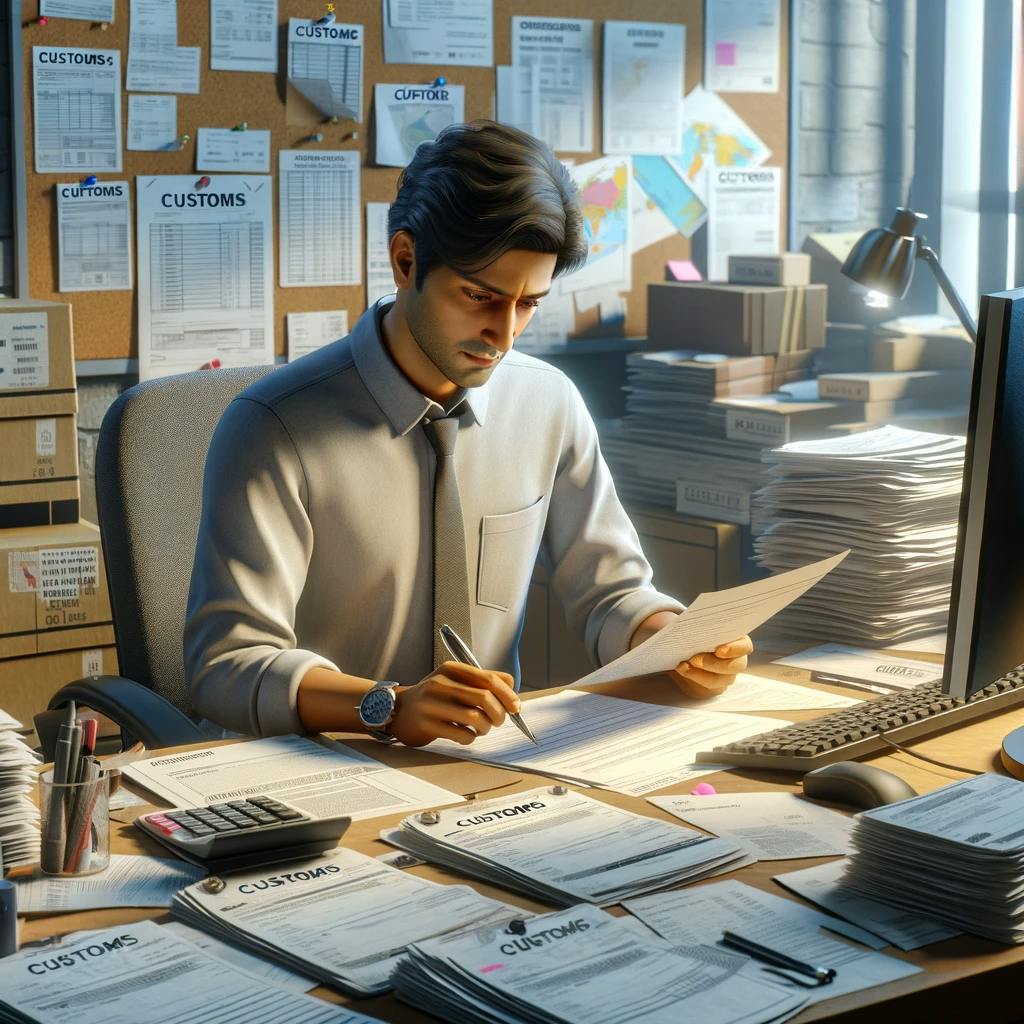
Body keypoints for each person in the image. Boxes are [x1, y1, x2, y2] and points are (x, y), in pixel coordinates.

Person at [184, 119, 752, 747]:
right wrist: (387, 707)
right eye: (479, 296)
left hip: (492, 767)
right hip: (309, 771)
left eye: (528, 303)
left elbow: (611, 591)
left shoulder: (549, 402)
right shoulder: (273, 428)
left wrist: (675, 642)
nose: (505, 334)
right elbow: (225, 667)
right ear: (406, 262)